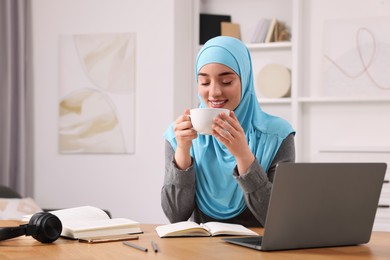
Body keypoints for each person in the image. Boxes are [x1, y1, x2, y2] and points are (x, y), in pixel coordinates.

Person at [162, 36, 295, 227]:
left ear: (245, 80)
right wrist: (183, 152)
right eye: (205, 83)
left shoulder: (277, 135)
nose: (214, 92)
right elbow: (175, 215)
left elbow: (277, 219)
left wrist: (244, 156)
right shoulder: (179, 135)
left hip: (258, 251)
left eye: (226, 81)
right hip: (198, 250)